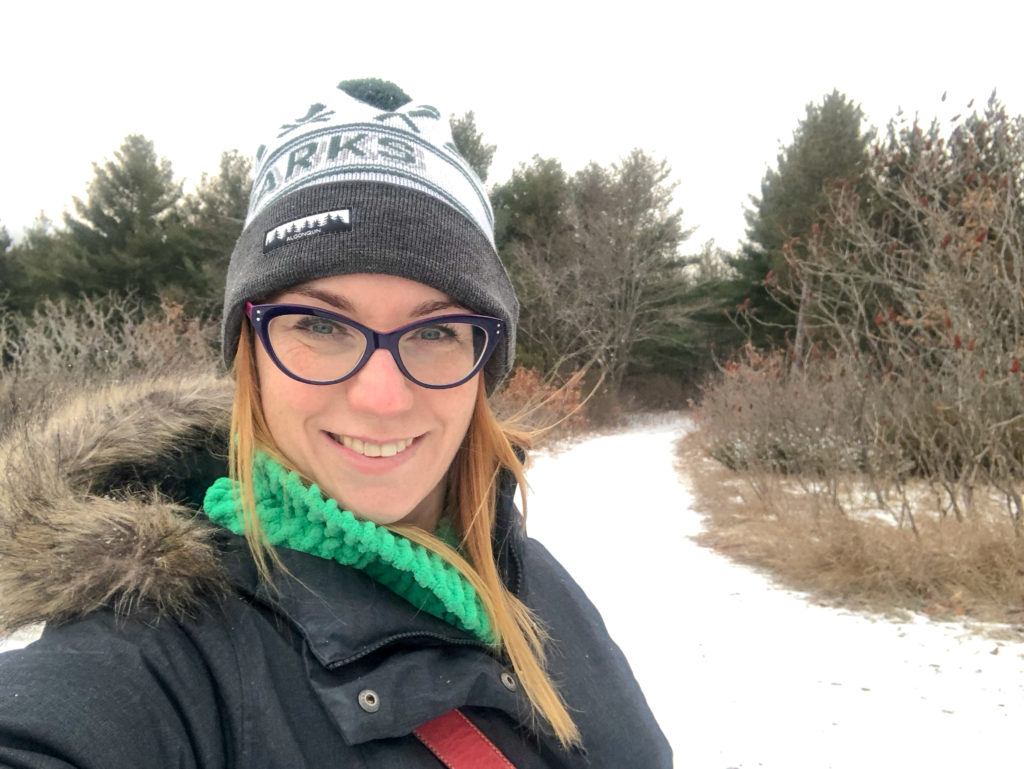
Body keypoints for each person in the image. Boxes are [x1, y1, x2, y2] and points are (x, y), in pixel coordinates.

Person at [0, 78, 671, 768]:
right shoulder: (158, 650)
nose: (382, 396)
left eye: (436, 331)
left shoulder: (527, 577)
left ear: (482, 361)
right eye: (320, 323)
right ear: (249, 352)